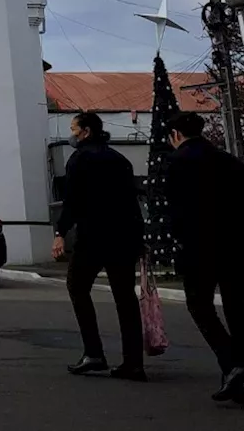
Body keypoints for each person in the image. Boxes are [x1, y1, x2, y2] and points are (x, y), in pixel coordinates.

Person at [166, 111, 244, 408]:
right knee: (237, 310)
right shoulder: (229, 161)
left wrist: (178, 239)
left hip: (200, 245)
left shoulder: (178, 161)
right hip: (235, 243)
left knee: (199, 304)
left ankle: (232, 364)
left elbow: (177, 209)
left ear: (176, 135)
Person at [53, 112, 147, 380]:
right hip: (124, 237)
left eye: (73, 128)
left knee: (77, 287)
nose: (70, 134)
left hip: (93, 237)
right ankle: (134, 362)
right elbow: (132, 201)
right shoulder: (120, 160)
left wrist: (60, 232)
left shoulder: (79, 159)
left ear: (86, 131)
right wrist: (139, 238)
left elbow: (72, 200)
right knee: (125, 298)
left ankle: (94, 352)